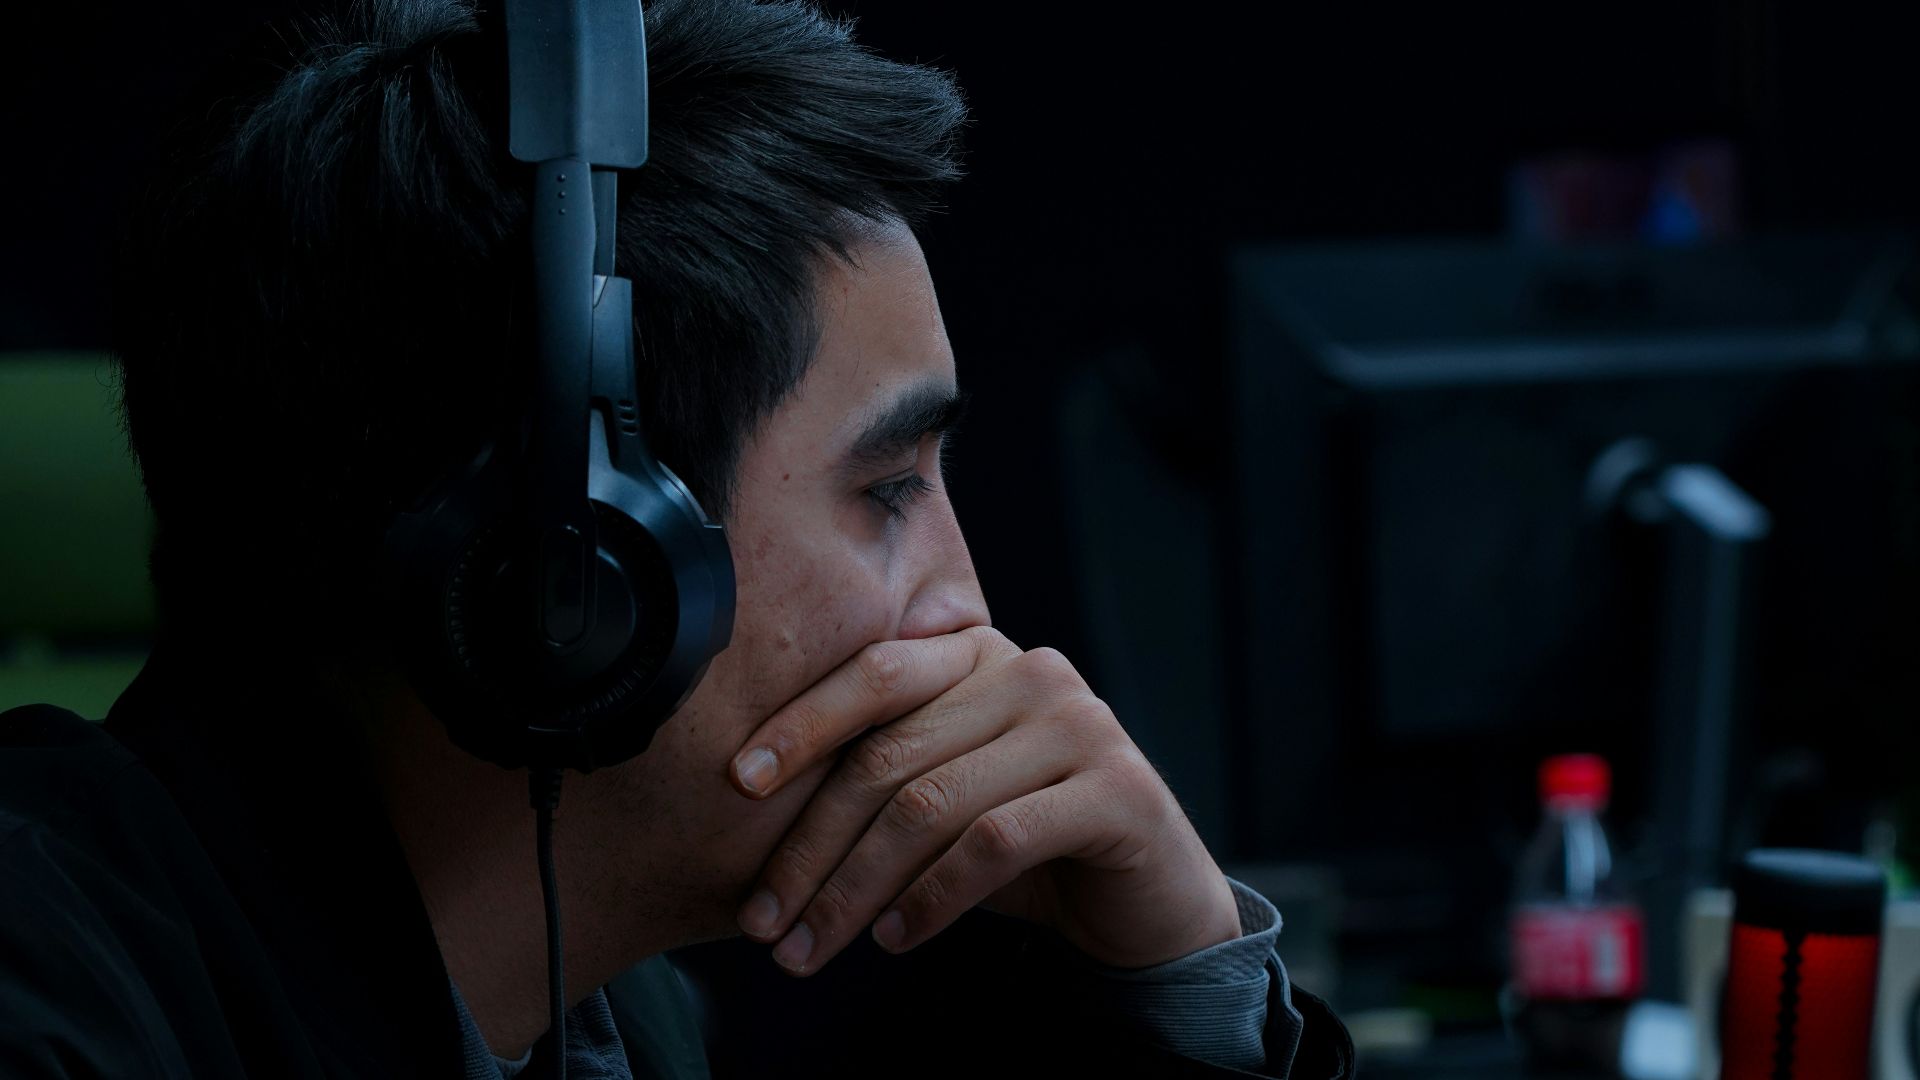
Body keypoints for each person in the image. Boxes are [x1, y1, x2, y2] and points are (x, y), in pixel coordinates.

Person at [0, 0, 1352, 1076]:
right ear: (573, 569)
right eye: (886, 488)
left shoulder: (614, 1016)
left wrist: (1181, 993)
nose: (973, 610)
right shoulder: (41, 1009)